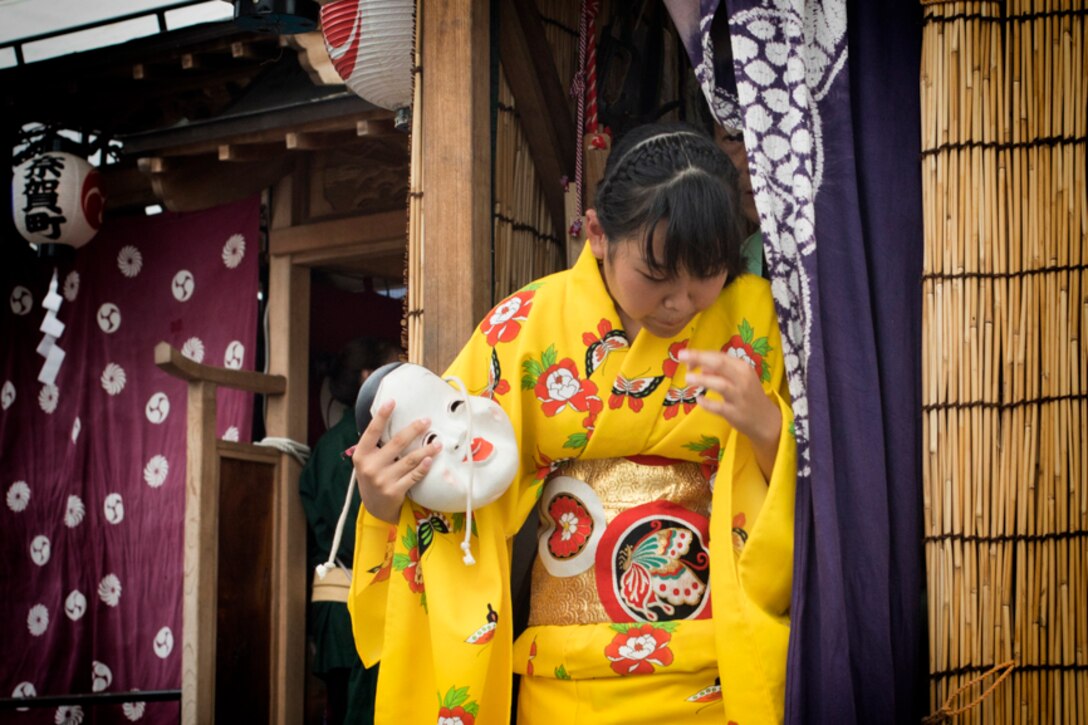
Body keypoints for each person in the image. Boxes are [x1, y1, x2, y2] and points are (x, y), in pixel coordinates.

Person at [348, 123, 796, 724]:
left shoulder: (758, 322)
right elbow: (448, 481)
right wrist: (384, 500)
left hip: (716, 665)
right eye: (659, 276)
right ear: (598, 234)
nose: (682, 303)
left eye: (706, 276)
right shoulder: (527, 325)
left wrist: (769, 431)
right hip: (564, 677)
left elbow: (833, 489)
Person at [299, 336, 402, 725]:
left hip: (329, 608)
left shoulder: (324, 446)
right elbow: (366, 530)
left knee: (341, 708)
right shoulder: (363, 448)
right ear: (368, 378)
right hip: (356, 599)